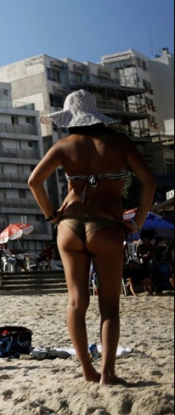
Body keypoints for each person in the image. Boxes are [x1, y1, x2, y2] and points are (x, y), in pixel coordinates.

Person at [28, 89, 156, 386]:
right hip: (106, 226)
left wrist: (51, 215)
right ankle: (108, 373)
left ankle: (87, 370)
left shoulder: (64, 145)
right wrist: (137, 221)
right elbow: (148, 181)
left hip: (69, 226)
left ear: (71, 117)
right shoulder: (119, 144)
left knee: (76, 301)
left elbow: (34, 181)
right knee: (109, 305)